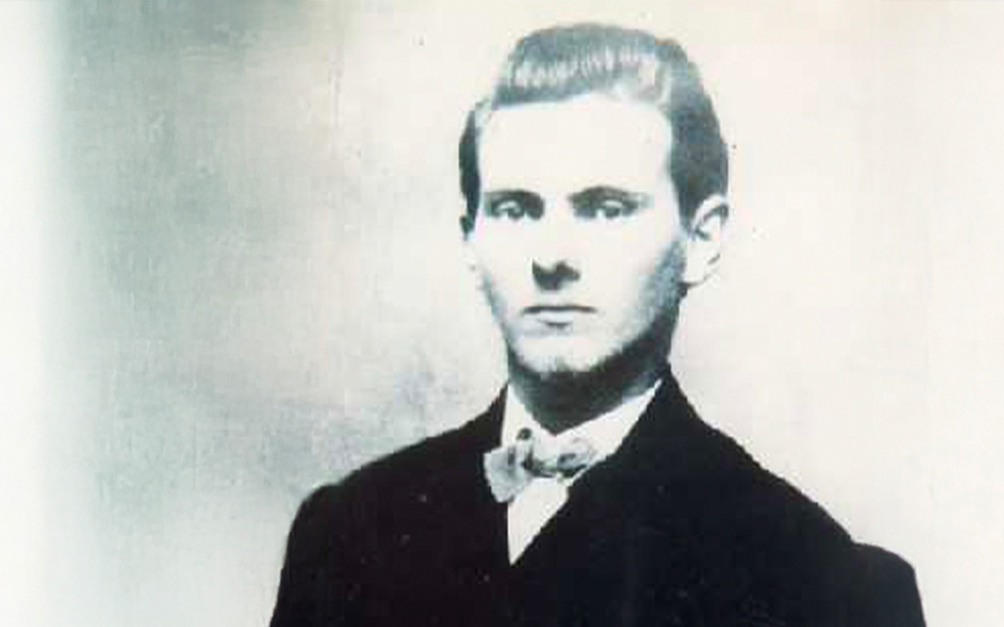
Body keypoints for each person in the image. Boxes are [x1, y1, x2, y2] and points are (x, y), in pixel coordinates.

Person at [270, 23, 925, 627]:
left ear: (701, 241)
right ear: (471, 239)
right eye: (516, 209)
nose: (552, 256)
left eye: (606, 208)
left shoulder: (826, 583)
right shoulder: (347, 532)